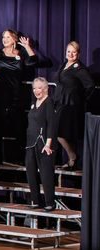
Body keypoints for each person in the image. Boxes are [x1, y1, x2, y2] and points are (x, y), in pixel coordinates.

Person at [0, 29, 39, 164]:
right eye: (3, 37)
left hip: (16, 96)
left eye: (7, 37)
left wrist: (27, 47)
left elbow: (34, 62)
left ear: (14, 40)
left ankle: (22, 160)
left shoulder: (21, 54)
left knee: (19, 127)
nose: (4, 39)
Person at [53, 41, 94, 169]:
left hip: (70, 105)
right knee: (61, 133)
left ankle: (73, 157)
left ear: (79, 54)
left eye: (74, 52)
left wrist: (79, 99)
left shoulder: (80, 69)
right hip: (60, 103)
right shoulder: (64, 64)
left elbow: (90, 86)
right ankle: (72, 159)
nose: (71, 54)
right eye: (68, 51)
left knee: (59, 133)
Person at [25, 78, 57, 211]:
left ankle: (50, 202)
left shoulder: (48, 102)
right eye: (34, 88)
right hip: (31, 142)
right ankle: (35, 200)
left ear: (45, 88)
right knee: (30, 172)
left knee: (46, 173)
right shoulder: (34, 103)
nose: (36, 91)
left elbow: (51, 124)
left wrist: (48, 144)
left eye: (39, 88)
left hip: (43, 142)